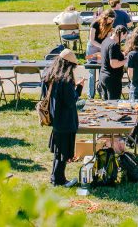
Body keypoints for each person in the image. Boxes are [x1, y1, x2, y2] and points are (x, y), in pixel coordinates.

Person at [42, 50, 84, 186]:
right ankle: (58, 180)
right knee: (63, 153)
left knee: (59, 152)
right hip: (65, 120)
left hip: (56, 118)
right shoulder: (65, 81)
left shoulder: (49, 75)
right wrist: (79, 88)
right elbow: (71, 101)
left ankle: (55, 177)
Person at [86, 10, 115, 96]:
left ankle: (102, 93)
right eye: (109, 19)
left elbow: (108, 39)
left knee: (102, 71)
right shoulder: (95, 24)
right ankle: (91, 95)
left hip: (102, 48)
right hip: (92, 48)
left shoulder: (110, 25)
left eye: (112, 20)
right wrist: (101, 46)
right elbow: (92, 40)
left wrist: (106, 46)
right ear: (105, 17)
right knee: (92, 71)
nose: (111, 21)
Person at [98, 26, 128, 100]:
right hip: (112, 80)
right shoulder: (114, 45)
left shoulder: (106, 41)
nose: (124, 39)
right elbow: (114, 64)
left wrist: (123, 54)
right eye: (125, 36)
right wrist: (126, 60)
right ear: (121, 34)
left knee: (106, 105)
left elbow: (110, 56)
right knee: (113, 105)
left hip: (103, 76)